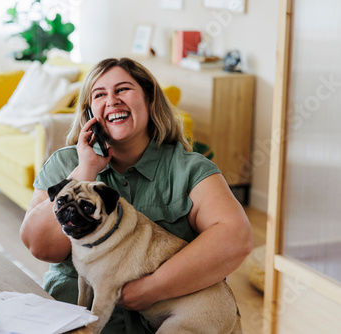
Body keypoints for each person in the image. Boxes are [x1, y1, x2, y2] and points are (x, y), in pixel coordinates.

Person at [20, 57, 252, 333]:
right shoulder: (64, 165)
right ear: (89, 112)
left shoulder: (189, 169)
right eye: (100, 94)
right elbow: (40, 246)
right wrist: (86, 169)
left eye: (123, 90)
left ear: (149, 100)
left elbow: (235, 238)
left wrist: (150, 289)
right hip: (74, 319)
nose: (112, 100)